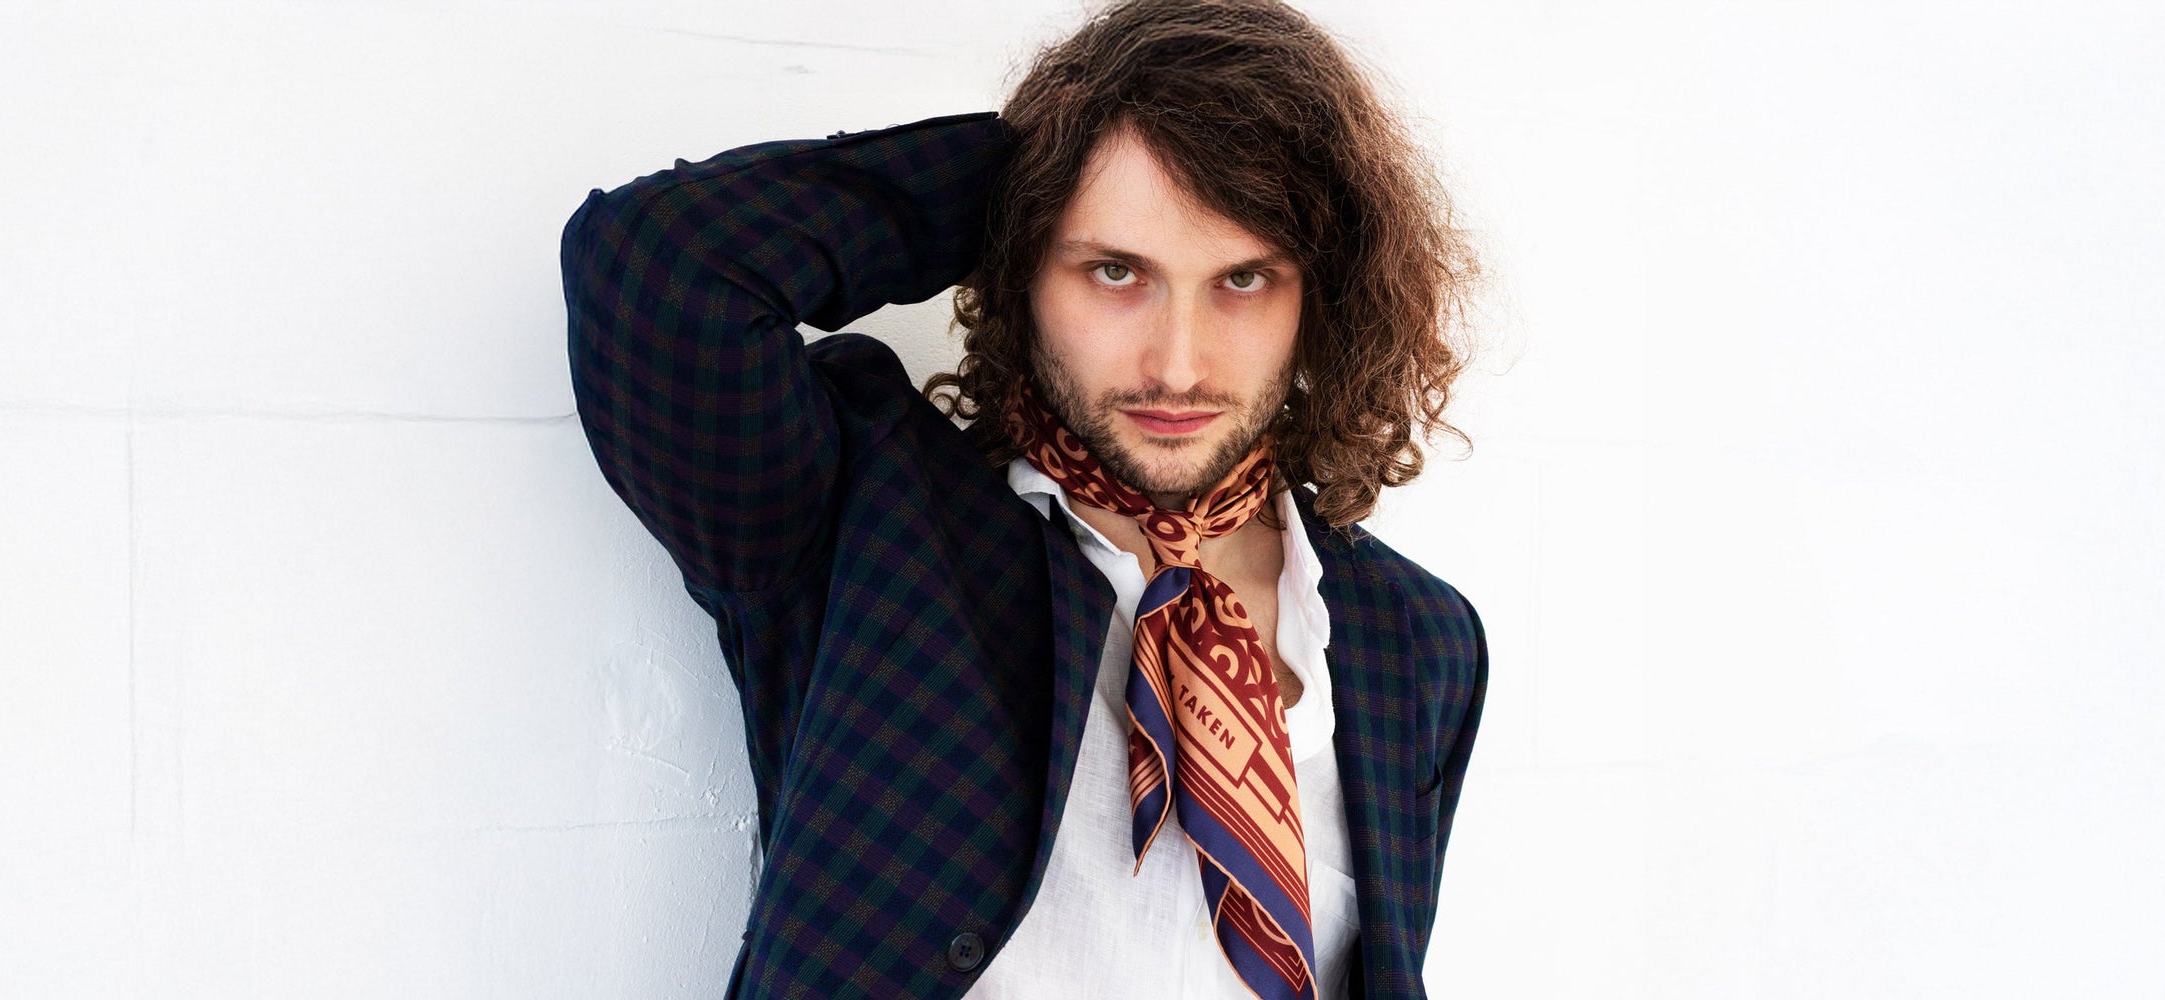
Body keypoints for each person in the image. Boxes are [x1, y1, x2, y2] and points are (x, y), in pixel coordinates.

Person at [558, 1, 1487, 997]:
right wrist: (1040, 162)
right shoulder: (865, 522)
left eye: (1244, 277)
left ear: (1326, 296)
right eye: (1116, 269)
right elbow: (655, 270)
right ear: (1024, 268)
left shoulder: (1416, 638)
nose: (1176, 364)